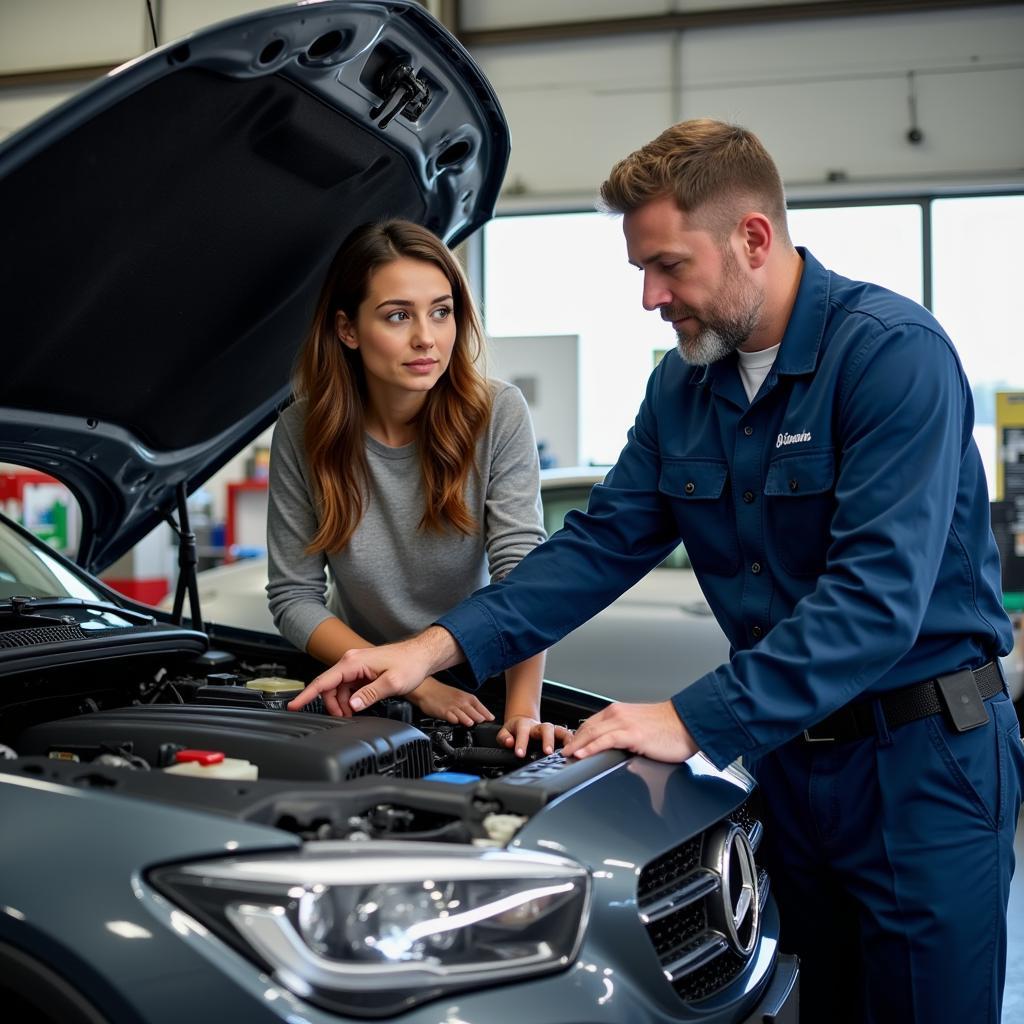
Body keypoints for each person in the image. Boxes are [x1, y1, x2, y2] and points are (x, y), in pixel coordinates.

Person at [288, 122, 1024, 1022]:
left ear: (752, 238)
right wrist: (431, 650)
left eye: (668, 266)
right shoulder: (683, 387)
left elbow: (875, 605)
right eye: (640, 270)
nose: (649, 296)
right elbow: (598, 545)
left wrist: (691, 718)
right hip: (792, 764)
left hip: (923, 762)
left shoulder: (891, 358)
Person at [270, 218, 567, 756]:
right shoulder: (300, 431)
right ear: (348, 330)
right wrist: (416, 682)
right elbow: (293, 596)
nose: (426, 338)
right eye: (398, 315)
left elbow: (522, 573)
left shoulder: (498, 413)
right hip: (355, 690)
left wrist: (523, 711)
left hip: (483, 688)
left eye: (441, 311)